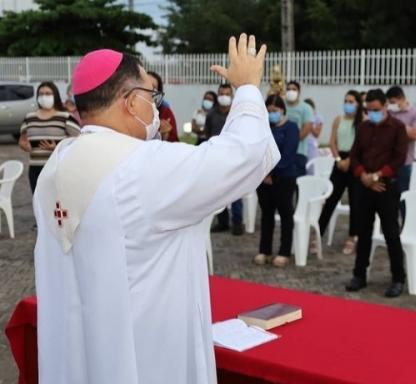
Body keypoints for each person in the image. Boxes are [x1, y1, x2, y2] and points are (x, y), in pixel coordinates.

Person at [34, 36, 278, 383]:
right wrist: (248, 89)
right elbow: (245, 155)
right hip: (147, 361)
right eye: (152, 95)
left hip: (75, 361)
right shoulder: (141, 167)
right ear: (131, 102)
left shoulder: (55, 165)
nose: (155, 106)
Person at [346, 88, 408, 298]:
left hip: (386, 187)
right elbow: (354, 156)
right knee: (363, 232)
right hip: (364, 186)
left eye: (376, 109)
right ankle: (359, 275)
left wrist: (378, 176)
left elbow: (399, 158)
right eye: (368, 109)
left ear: (384, 107)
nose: (372, 113)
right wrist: (364, 176)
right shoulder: (363, 127)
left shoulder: (397, 127)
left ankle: (398, 278)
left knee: (391, 233)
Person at [254, 94, 299, 268]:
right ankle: (264, 250)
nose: (272, 114)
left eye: (275, 111)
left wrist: (271, 173)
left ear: (282, 110)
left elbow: (288, 155)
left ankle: (284, 251)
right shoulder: (264, 127)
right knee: (266, 215)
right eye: (269, 111)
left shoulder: (291, 127)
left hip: (284, 177)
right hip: (263, 178)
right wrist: (263, 174)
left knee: (286, 214)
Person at [318, 90, 363, 255]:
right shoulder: (338, 120)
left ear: (358, 104)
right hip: (339, 161)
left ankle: (352, 236)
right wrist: (338, 160)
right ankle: (318, 233)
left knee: (355, 201)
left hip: (355, 162)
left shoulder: (362, 122)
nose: (348, 104)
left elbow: (360, 146)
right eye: (346, 101)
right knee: (330, 199)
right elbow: (332, 142)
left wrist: (350, 161)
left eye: (351, 101)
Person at [19, 81, 80, 193]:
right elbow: (22, 140)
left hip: (56, 169)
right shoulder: (29, 118)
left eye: (48, 93)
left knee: (57, 205)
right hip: (35, 169)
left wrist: (57, 147)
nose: (44, 97)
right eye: (41, 94)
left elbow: (79, 141)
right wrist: (24, 145)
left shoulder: (65, 117)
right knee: (38, 204)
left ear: (55, 96)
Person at [206, 83, 244, 235]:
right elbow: (207, 135)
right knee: (219, 192)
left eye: (227, 94)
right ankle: (222, 222)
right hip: (216, 158)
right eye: (221, 93)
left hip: (234, 158)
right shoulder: (211, 114)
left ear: (232, 96)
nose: (224, 97)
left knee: (235, 192)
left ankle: (237, 222)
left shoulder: (237, 114)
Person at [386, 86, 416, 223]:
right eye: (389, 102)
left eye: (393, 101)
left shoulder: (415, 114)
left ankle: (406, 225)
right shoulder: (387, 112)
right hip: (387, 161)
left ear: (402, 99)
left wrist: (396, 126)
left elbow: (414, 134)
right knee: (388, 197)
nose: (391, 105)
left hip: (405, 162)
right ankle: (390, 226)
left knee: (404, 196)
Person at [284, 81, 313, 177]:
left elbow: (306, 128)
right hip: (281, 152)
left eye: (294, 89)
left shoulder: (306, 108)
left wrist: (290, 144)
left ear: (299, 92)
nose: (291, 91)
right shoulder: (281, 106)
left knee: (298, 182)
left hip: (299, 152)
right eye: (288, 89)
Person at [147, 71, 179, 142]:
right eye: (146, 84)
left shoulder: (165, 112)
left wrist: (165, 136)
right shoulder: (129, 108)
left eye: (153, 87)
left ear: (158, 94)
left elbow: (174, 143)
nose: (149, 89)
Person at [303, 98, 323, 165]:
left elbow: (317, 134)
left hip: (312, 145)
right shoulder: (302, 116)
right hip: (302, 144)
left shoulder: (318, 118)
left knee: (312, 165)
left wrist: (309, 124)